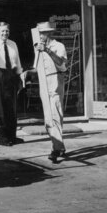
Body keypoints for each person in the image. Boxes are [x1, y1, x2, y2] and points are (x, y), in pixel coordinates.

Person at [31, 21, 67, 162]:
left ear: (48, 33)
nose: (39, 36)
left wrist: (48, 50)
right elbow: (36, 67)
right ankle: (59, 146)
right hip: (43, 82)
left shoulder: (58, 46)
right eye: (38, 33)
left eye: (41, 33)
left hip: (55, 80)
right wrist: (26, 73)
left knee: (55, 114)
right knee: (48, 118)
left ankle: (56, 148)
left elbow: (62, 65)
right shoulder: (38, 47)